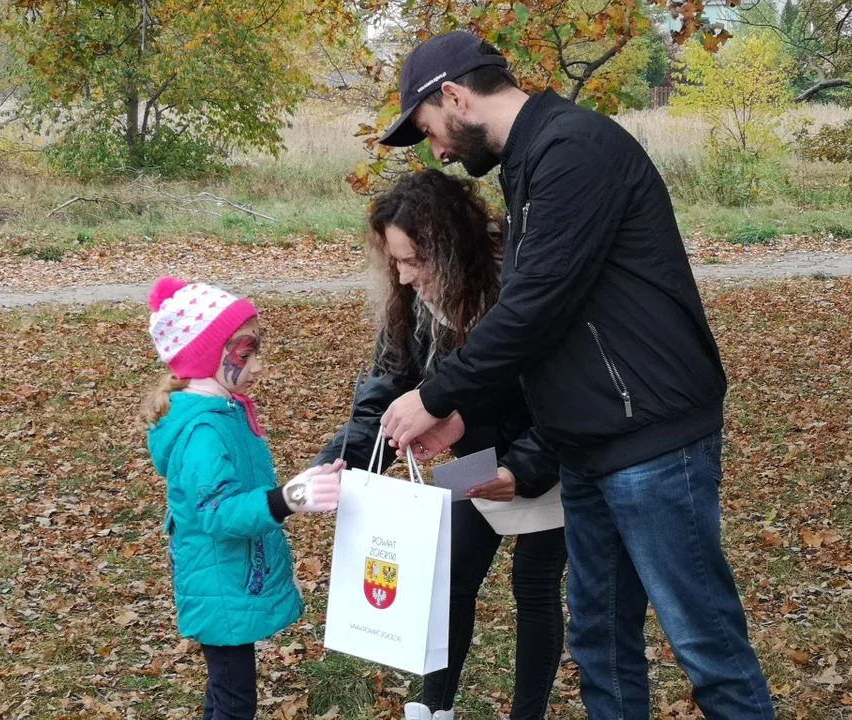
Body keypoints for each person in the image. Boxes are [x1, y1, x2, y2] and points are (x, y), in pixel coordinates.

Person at [377, 31, 775, 720]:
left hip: (652, 442)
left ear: (455, 95)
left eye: (429, 129)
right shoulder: (530, 163)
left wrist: (438, 395)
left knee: (705, 644)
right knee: (601, 646)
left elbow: (534, 308)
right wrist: (468, 418)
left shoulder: (573, 150)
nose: (437, 149)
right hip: (587, 449)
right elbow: (555, 326)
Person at [314, 170, 566, 720]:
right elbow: (386, 387)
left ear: (451, 249)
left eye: (414, 261)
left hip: (547, 452)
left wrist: (523, 468)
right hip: (474, 457)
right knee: (450, 576)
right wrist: (346, 463)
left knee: (535, 582)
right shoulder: (412, 303)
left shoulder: (518, 289)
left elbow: (565, 397)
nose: (402, 278)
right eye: (395, 262)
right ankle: (435, 708)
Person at [141, 276, 344, 720]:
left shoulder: (225, 411)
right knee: (235, 701)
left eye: (256, 353)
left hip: (229, 576)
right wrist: (289, 498)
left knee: (226, 692)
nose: (257, 366)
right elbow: (217, 512)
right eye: (245, 354)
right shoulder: (204, 430)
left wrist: (305, 482)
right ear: (204, 356)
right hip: (218, 581)